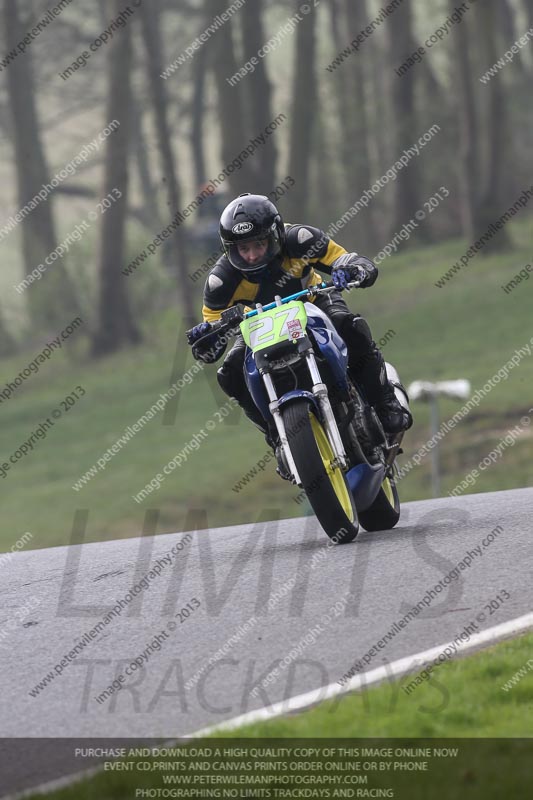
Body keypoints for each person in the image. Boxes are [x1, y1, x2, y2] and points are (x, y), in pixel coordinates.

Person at [187, 193, 412, 477]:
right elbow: (211, 336)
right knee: (229, 373)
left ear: (276, 235)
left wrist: (352, 269)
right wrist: (206, 337)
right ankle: (277, 439)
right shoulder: (220, 281)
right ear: (230, 248)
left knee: (349, 325)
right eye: (243, 248)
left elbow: (348, 259)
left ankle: (384, 401)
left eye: (259, 243)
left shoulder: (302, 239)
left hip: (313, 302)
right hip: (257, 326)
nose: (253, 255)